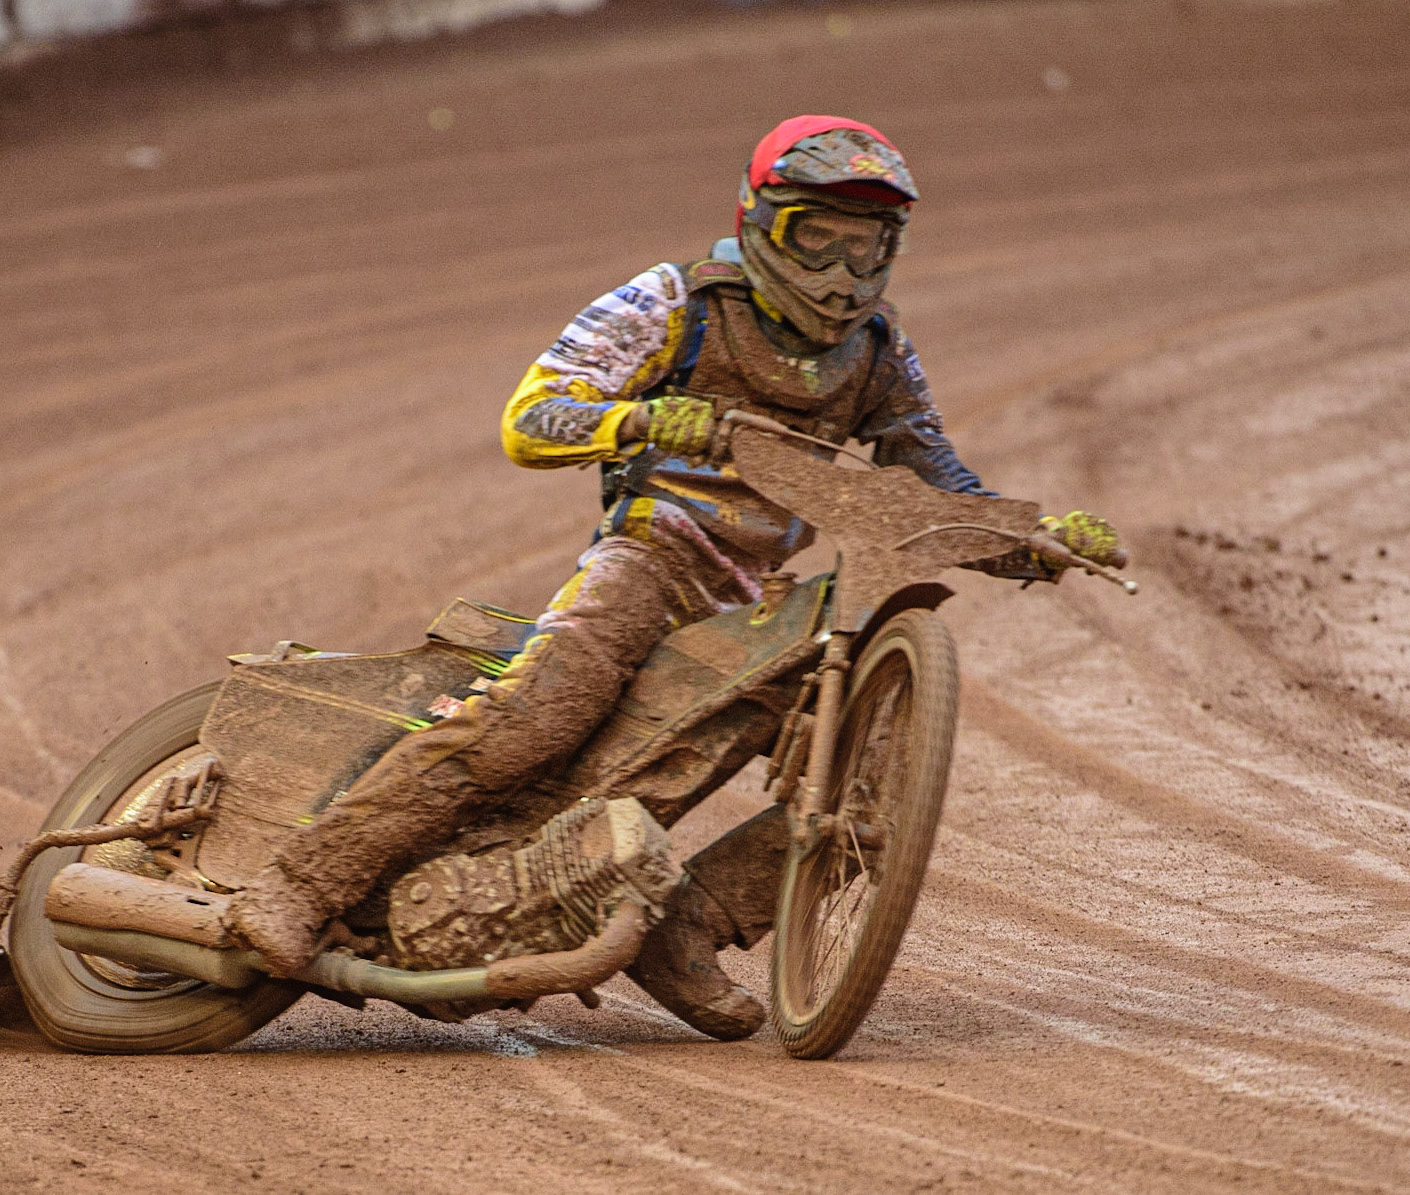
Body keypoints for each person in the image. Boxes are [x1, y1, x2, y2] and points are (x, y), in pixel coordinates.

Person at [225, 116, 1123, 1038]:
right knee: (542, 712)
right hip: (649, 554)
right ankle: (302, 881)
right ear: (764, 220)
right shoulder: (675, 303)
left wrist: (1036, 538)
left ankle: (685, 925)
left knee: (874, 768)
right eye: (819, 238)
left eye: (867, 247)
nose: (841, 274)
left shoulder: (880, 352)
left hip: (752, 599)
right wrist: (649, 424)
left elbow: (937, 480)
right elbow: (532, 417)